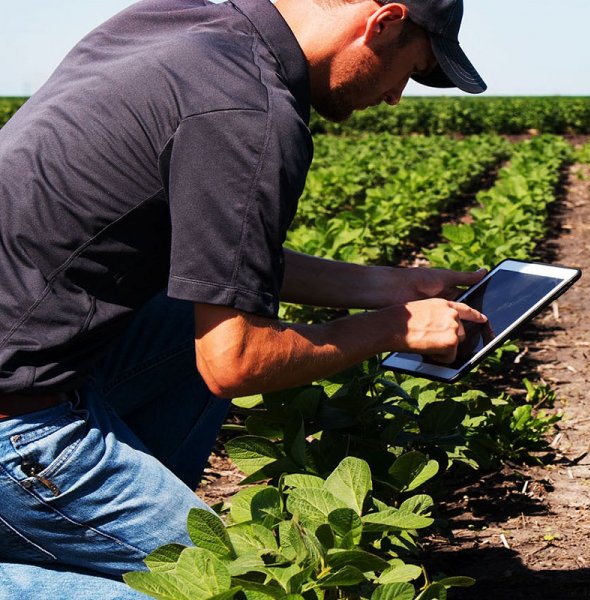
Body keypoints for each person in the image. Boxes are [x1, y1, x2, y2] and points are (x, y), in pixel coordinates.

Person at [0, 0, 488, 596]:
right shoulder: (251, 110)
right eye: (409, 72)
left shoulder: (168, 25)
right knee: (244, 586)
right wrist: (394, 328)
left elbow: (218, 264)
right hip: (18, 423)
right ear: (382, 22)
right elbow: (236, 362)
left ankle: (95, 539)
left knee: (189, 313)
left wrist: (387, 286)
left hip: (31, 363)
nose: (394, 98)